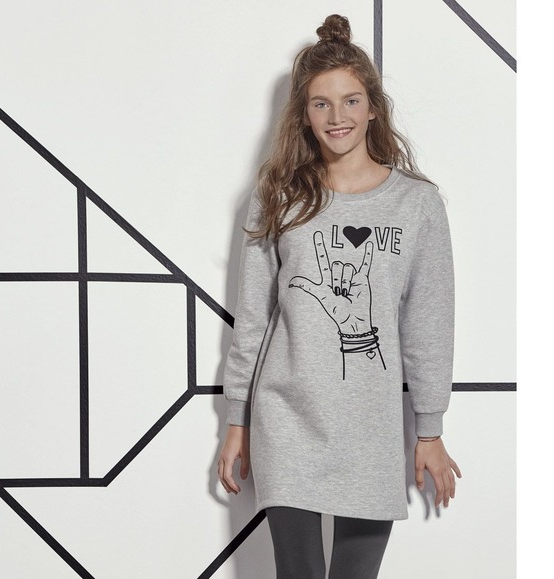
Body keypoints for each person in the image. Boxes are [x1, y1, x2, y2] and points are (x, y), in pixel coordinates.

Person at [217, 14, 462, 578]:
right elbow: (254, 317)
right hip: (287, 418)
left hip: (371, 429)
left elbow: (428, 323)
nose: (337, 117)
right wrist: (238, 421)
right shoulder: (279, 195)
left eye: (351, 101)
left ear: (373, 107)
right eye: (320, 104)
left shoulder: (417, 205)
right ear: (303, 114)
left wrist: (430, 430)